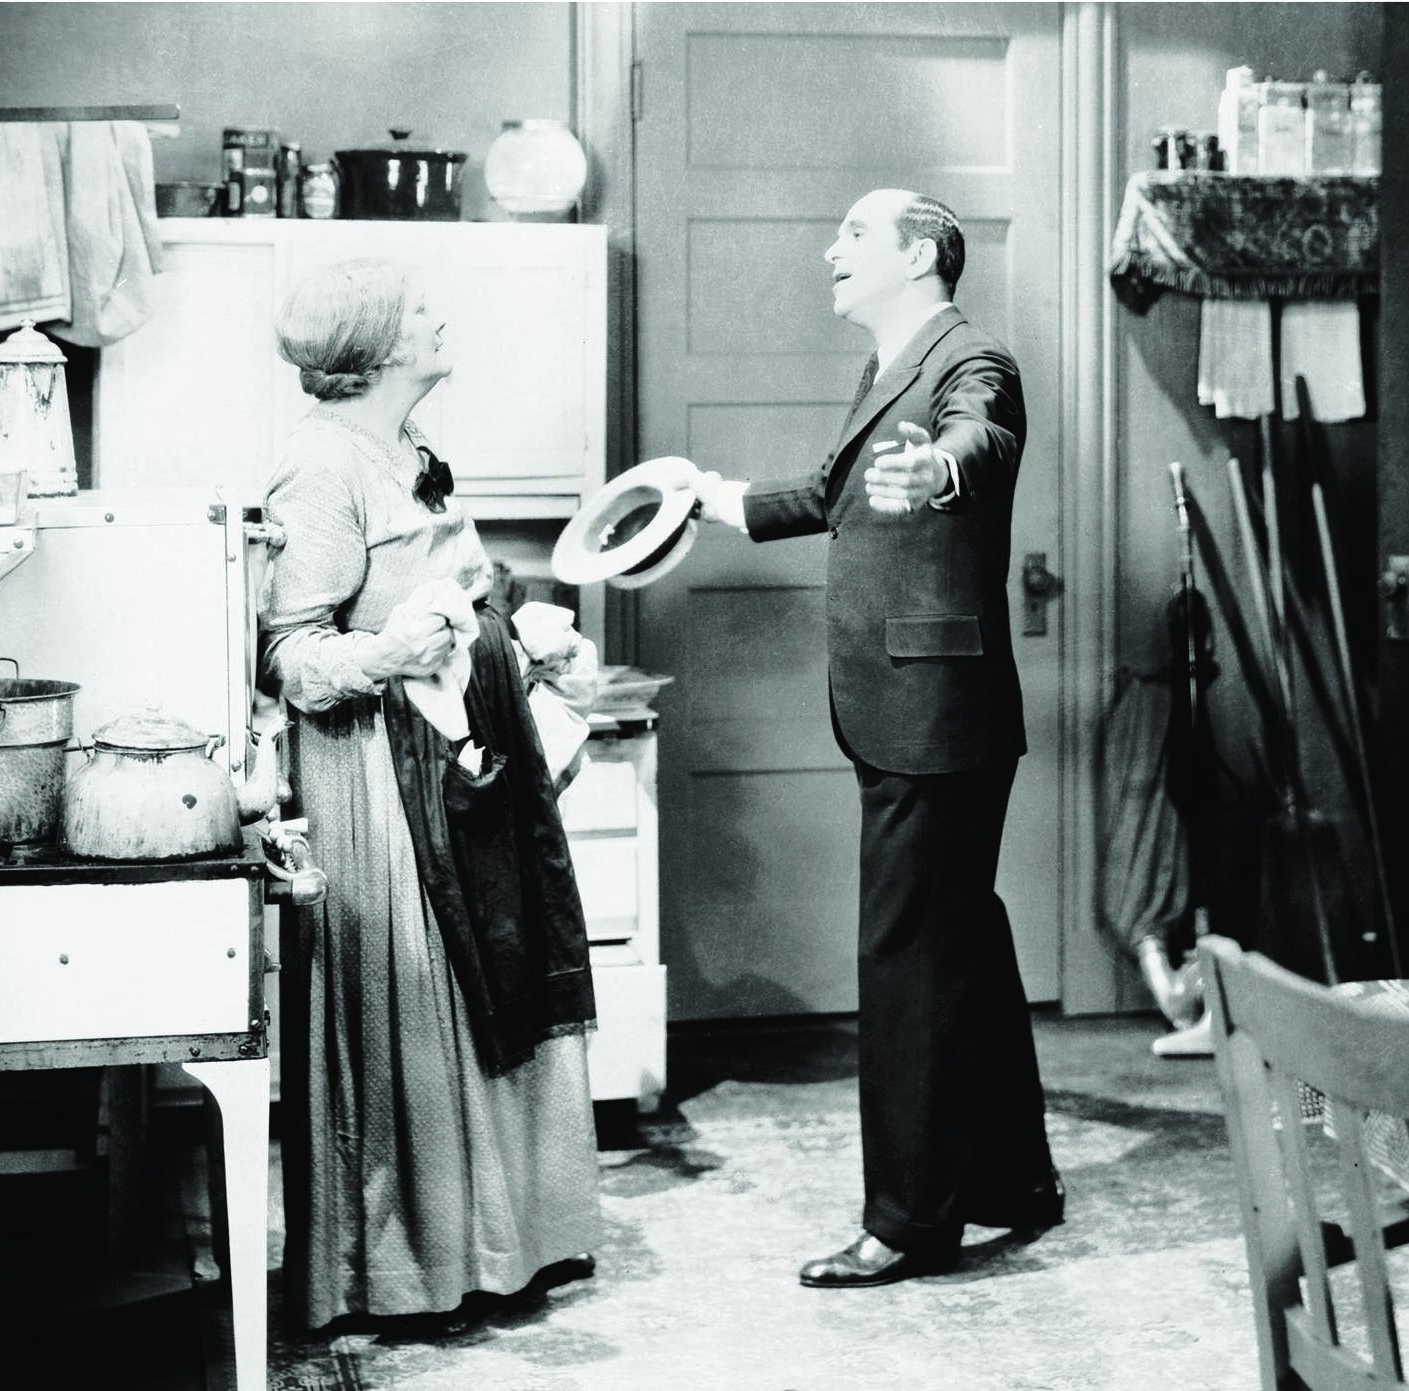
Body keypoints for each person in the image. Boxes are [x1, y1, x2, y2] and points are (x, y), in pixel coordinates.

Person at [678, 188, 1062, 1288]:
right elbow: (832, 493)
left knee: (905, 965)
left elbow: (976, 438)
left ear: (922, 255)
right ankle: (1014, 1178)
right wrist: (706, 498)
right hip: (909, 707)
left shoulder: (968, 358)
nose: (827, 248)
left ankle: (906, 1221)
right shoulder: (893, 361)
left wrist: (941, 468)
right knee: (963, 943)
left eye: (852, 235)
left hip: (931, 715)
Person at [260, 257, 601, 1328]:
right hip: (375, 779)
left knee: (486, 987)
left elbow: (440, 584)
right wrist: (389, 651)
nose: (436, 316)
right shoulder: (319, 466)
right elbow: (287, 656)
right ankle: (408, 1267)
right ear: (369, 347)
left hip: (452, 757)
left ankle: (501, 1245)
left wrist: (514, 620)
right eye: (416, 311)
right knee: (419, 1005)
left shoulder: (401, 447)